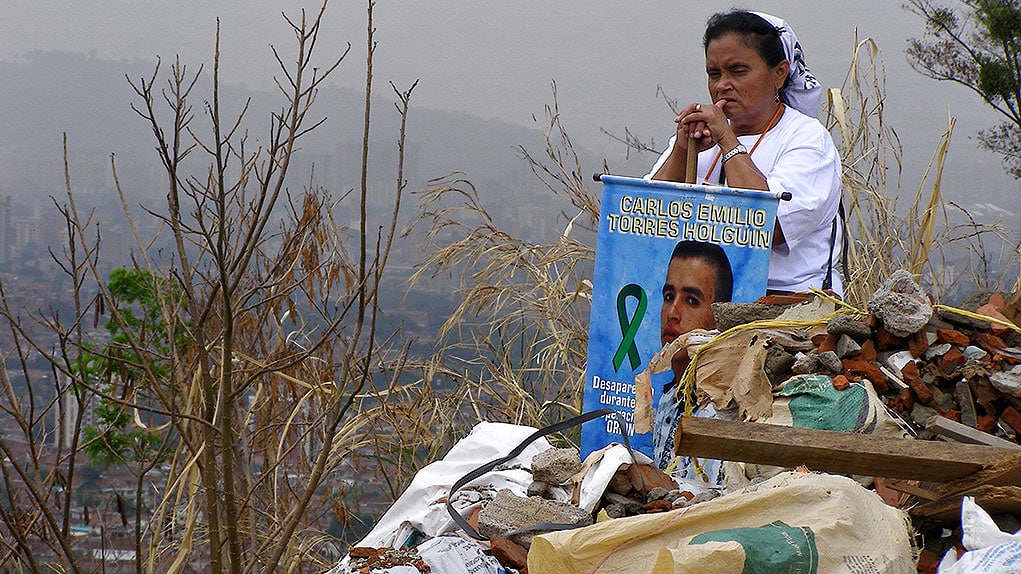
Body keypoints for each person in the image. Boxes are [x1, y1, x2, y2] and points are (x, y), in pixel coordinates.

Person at [647, 10, 844, 297]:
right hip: (699, 298)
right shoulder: (701, 136)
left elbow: (771, 228)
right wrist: (681, 150)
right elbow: (644, 217)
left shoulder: (808, 139)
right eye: (714, 74)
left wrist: (728, 141)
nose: (721, 85)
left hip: (786, 301)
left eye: (738, 71)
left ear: (779, 73)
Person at [652, 240, 732, 475]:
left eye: (691, 300)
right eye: (668, 296)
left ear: (720, 317)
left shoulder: (719, 412)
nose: (672, 313)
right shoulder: (669, 399)